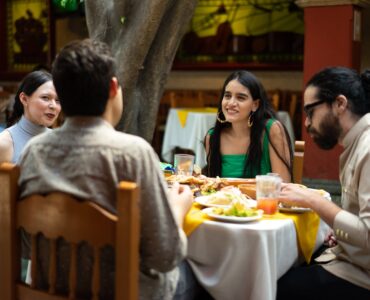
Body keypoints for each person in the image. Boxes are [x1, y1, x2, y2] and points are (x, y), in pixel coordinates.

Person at [18, 39, 193, 300]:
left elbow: (27, 244)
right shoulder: (133, 153)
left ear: (62, 95)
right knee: (197, 275)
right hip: (122, 292)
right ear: (113, 87)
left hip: (53, 288)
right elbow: (165, 256)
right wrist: (177, 209)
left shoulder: (35, 151)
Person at [277, 67, 370, 299]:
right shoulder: (356, 143)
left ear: (340, 103)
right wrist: (340, 231)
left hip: (362, 275)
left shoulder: (368, 147)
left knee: (275, 288)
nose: (307, 124)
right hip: (351, 259)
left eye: (310, 112)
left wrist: (312, 200)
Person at [204, 70, 292, 182]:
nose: (231, 103)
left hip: (265, 199)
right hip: (227, 199)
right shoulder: (212, 137)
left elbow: (283, 185)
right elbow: (212, 187)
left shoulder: (271, 130)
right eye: (227, 96)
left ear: (255, 105)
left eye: (240, 98)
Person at [0, 70, 61, 164]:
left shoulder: (61, 141)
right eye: (45, 98)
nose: (53, 106)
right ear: (24, 99)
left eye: (58, 100)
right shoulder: (4, 143)